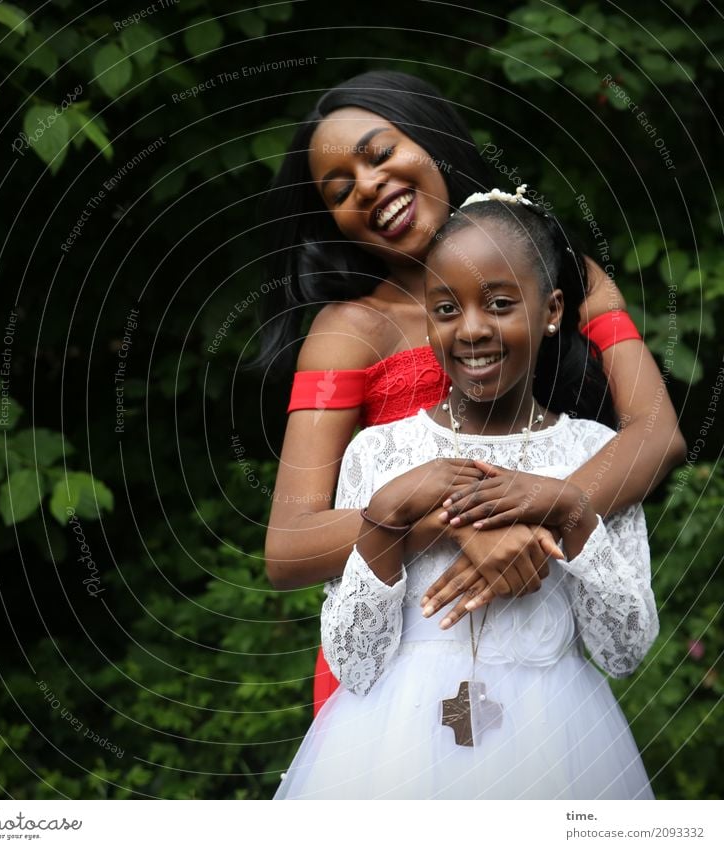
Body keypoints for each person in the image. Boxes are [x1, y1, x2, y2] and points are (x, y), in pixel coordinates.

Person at [258, 71, 684, 717]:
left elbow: (656, 434)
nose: (368, 185)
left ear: (431, 140)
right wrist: (448, 526)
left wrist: (531, 519)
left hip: (540, 649)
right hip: (399, 663)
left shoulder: (564, 273)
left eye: (379, 153)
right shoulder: (348, 330)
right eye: (341, 189)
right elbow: (289, 546)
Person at [273, 187, 658, 799]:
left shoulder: (590, 452)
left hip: (556, 744)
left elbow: (625, 650)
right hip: (391, 748)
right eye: (446, 309)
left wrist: (572, 508)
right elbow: (354, 662)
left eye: (500, 304)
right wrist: (385, 517)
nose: (472, 329)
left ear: (552, 309)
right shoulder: (380, 455)